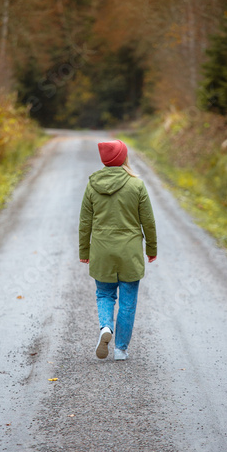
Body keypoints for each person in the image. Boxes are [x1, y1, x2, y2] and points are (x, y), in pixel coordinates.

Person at [79, 139, 157, 361]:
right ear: (123, 157)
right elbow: (148, 222)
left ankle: (106, 327)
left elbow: (85, 222)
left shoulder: (92, 185)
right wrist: (151, 248)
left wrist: (84, 252)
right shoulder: (137, 185)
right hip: (129, 253)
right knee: (128, 301)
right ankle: (121, 349)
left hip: (102, 251)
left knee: (104, 293)